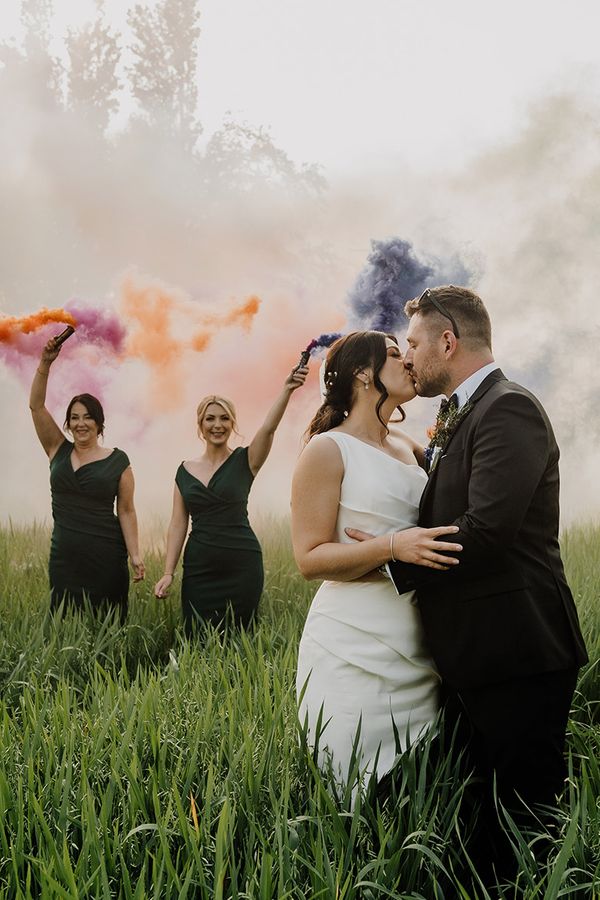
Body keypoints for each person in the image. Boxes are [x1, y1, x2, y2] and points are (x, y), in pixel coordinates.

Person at [347, 286, 588, 881]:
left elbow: (488, 530)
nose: (409, 356)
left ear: (448, 342)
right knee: (488, 824)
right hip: (478, 654)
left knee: (527, 824)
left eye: (415, 343)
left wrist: (386, 560)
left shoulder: (509, 407)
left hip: (517, 651)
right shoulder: (463, 414)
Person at [291, 331, 463, 790]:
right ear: (363, 374)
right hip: (354, 639)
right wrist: (392, 547)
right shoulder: (327, 449)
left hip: (415, 634)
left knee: (421, 782)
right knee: (354, 781)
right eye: (393, 354)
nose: (408, 360)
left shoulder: (408, 446)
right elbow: (308, 558)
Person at [154, 364, 308, 635]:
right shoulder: (184, 471)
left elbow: (269, 429)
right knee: (197, 636)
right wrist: (168, 572)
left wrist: (287, 389)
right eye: (210, 419)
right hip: (199, 567)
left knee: (240, 637)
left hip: (242, 563)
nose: (217, 425)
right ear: (200, 425)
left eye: (224, 419)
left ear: (232, 423)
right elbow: (178, 524)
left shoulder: (246, 460)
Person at [30, 336, 144, 621]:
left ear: (99, 422)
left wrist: (135, 555)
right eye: (74, 417)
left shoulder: (119, 461)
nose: (81, 423)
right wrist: (45, 362)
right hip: (64, 556)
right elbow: (36, 406)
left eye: (87, 417)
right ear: (67, 423)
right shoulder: (57, 448)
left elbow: (127, 511)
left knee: (105, 622)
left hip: (105, 555)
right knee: (64, 622)